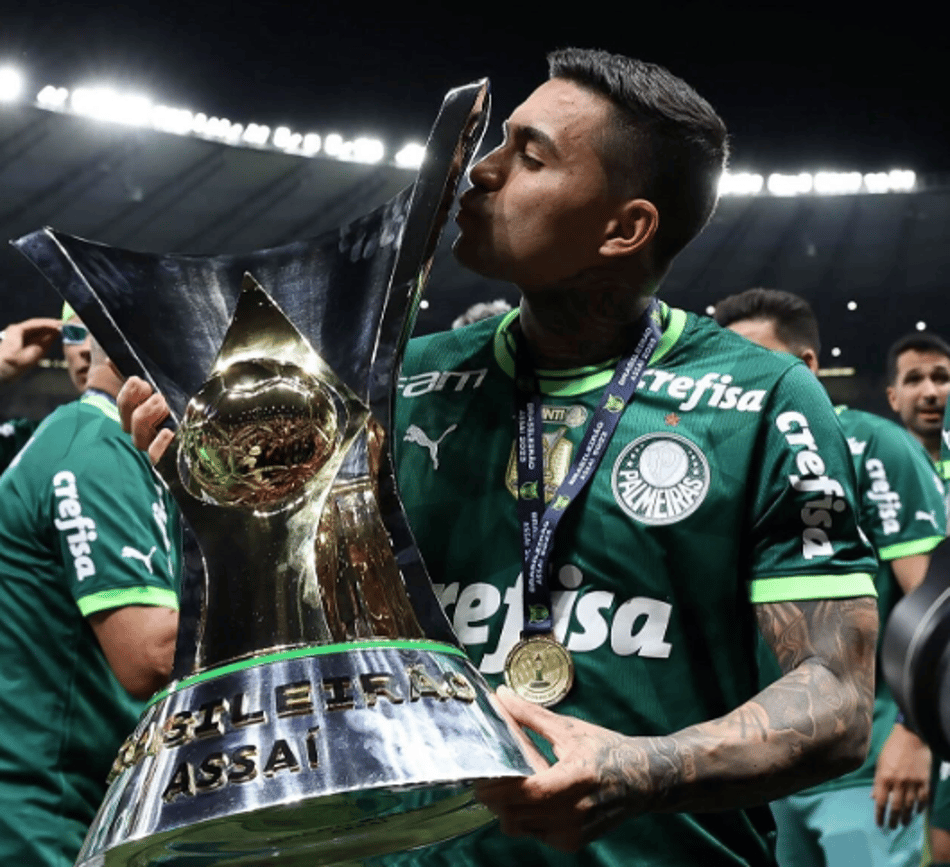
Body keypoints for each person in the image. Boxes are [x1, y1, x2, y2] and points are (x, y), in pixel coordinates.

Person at [121, 48, 878, 867]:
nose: (481, 171)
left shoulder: (762, 401)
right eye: (499, 142)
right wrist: (237, 513)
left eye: (531, 155)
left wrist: (641, 769)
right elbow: (316, 640)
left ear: (624, 229)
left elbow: (837, 698)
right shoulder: (399, 383)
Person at [714, 287, 946, 867]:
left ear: (808, 365)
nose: (736, 382)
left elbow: (936, 605)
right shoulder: (727, 459)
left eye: (755, 362)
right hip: (761, 765)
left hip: (864, 766)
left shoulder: (874, 444)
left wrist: (917, 733)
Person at [0, 331, 180, 866]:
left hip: (75, 802)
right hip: (48, 820)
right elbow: (150, 655)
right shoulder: (93, 452)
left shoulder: (102, 443)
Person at [1, 307, 92, 473]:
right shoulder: (35, 441)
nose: (86, 349)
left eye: (104, 336)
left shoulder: (143, 439)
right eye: (73, 333)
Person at [885, 332, 950, 465]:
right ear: (893, 398)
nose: (930, 393)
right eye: (914, 379)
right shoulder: (875, 471)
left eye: (941, 378)